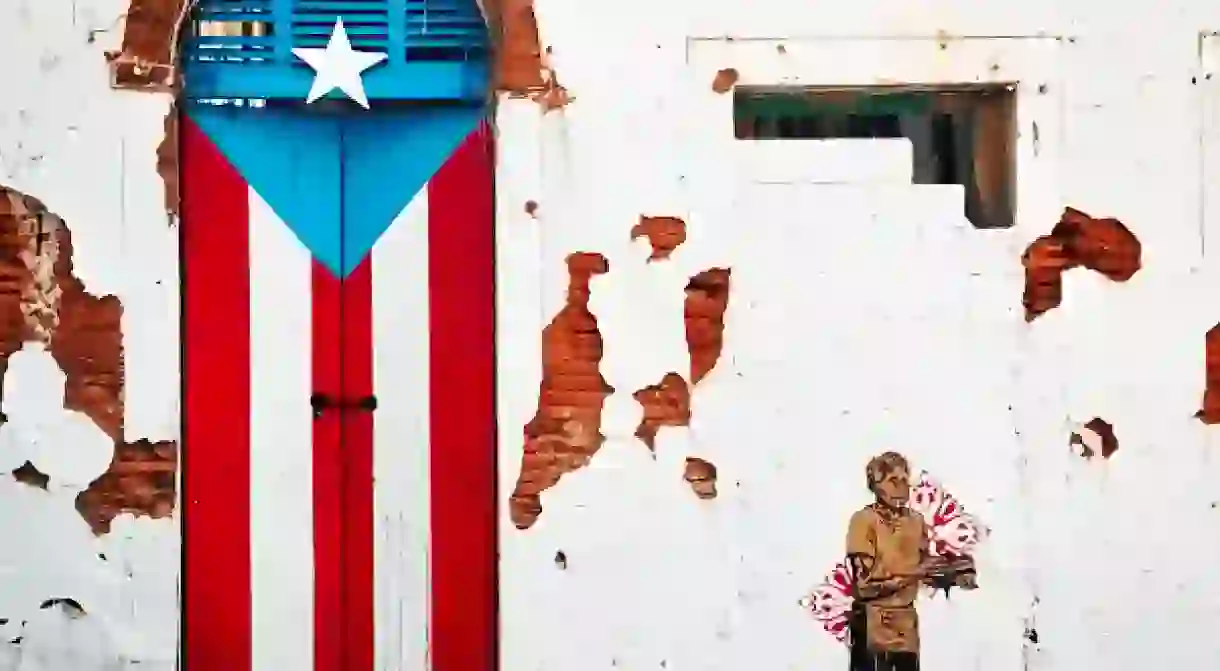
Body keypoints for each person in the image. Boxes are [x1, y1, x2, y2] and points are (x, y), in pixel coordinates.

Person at [845, 452, 977, 671]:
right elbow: (865, 587)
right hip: (872, 627)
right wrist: (917, 572)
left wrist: (956, 572)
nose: (902, 487)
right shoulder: (863, 521)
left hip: (905, 629)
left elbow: (926, 568)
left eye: (905, 480)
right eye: (893, 481)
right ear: (876, 486)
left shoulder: (915, 522)